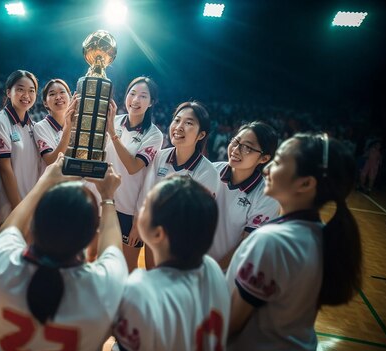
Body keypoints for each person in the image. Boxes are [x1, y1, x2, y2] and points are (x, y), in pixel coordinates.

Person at [225, 133, 363, 351]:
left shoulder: (271, 241)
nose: (268, 169)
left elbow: (230, 323)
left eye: (278, 162)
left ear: (306, 183)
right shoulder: (321, 235)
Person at [0, 154, 127, 351]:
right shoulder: (103, 286)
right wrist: (107, 197)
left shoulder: (1, 264)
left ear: (32, 229)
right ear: (89, 240)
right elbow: (112, 248)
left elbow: (9, 230)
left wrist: (45, 181)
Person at [112, 175, 230, 351]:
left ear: (158, 234)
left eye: (145, 206)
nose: (141, 208)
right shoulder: (212, 268)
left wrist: (107, 200)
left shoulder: (139, 289)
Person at [130, 101, 220, 269]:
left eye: (188, 123)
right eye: (177, 120)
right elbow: (146, 192)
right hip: (155, 232)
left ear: (201, 135)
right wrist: (138, 224)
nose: (179, 127)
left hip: (182, 241)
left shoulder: (208, 172)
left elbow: (201, 217)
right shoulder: (160, 157)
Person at [104, 76, 164, 272]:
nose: (136, 100)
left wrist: (112, 133)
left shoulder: (154, 135)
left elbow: (133, 166)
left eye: (143, 96)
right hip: (105, 202)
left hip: (129, 211)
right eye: (132, 93)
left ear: (151, 102)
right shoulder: (116, 121)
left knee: (127, 269)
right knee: (103, 261)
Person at [210, 121, 280, 270]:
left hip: (227, 273)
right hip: (190, 263)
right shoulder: (211, 171)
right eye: (235, 141)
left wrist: (212, 271)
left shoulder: (266, 196)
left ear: (264, 159)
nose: (235, 150)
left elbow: (247, 245)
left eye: (247, 147)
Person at [0, 70, 41, 221]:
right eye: (20, 89)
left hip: (31, 205)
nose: (26, 95)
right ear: (8, 92)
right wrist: (19, 209)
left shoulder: (33, 125)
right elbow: (5, 169)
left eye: (31, 91)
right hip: (10, 209)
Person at [33, 78, 78, 166]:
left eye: (62, 92)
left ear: (70, 97)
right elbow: (51, 161)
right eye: (52, 94)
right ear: (45, 103)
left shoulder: (77, 125)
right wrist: (68, 128)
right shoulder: (40, 127)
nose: (58, 97)